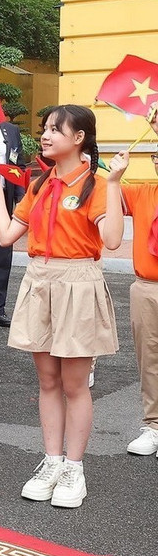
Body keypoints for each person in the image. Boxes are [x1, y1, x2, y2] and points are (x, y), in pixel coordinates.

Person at [0, 104, 118, 508]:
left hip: (78, 282)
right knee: (47, 382)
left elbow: (111, 240)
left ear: (79, 138)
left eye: (56, 130)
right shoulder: (41, 185)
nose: (45, 135)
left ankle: (74, 469)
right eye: (45, 129)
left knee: (75, 384)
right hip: (40, 281)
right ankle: (52, 460)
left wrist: (113, 185)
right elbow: (6, 235)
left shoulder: (93, 185)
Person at [106, 116, 158, 457]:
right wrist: (112, 177)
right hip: (147, 287)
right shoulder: (143, 193)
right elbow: (105, 198)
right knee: (149, 358)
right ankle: (153, 425)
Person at [0, 119, 26, 327]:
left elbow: (18, 164)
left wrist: (20, 195)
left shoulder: (10, 130)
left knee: (2, 255)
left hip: (4, 196)